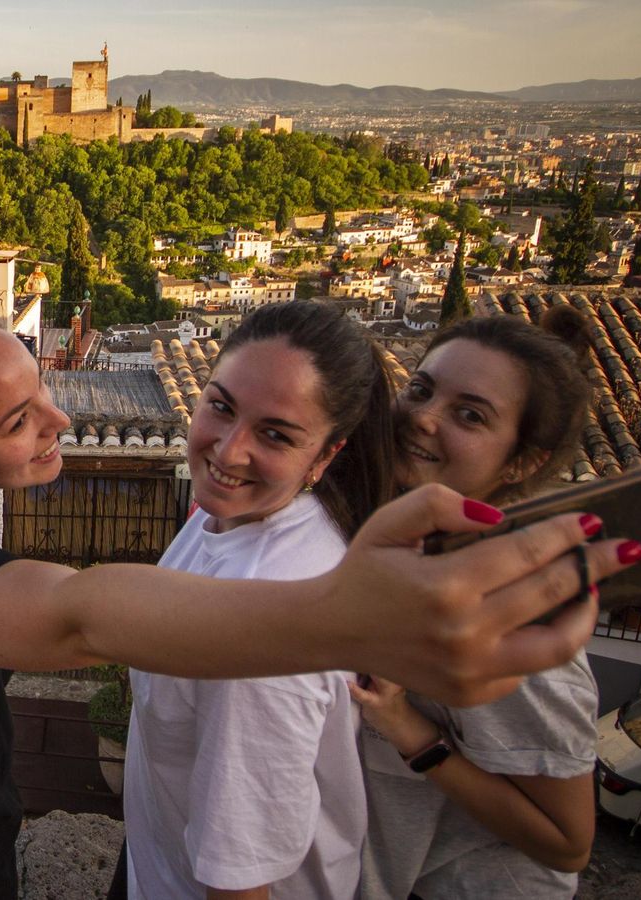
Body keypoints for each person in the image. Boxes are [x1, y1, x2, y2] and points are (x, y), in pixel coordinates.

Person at [0, 305, 634, 898]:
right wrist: (346, 619)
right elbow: (84, 612)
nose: (57, 421)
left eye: (40, 390)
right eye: (18, 421)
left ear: (326, 455)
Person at [352, 305, 627, 898]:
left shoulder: (512, 617)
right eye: (420, 390)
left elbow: (567, 842)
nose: (422, 418)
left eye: (469, 415)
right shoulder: (400, 544)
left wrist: (407, 730)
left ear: (522, 462)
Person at [123, 301, 395, 899]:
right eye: (221, 407)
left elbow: (241, 880)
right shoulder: (232, 517)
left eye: (275, 434)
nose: (228, 450)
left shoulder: (268, 630)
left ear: (326, 456)